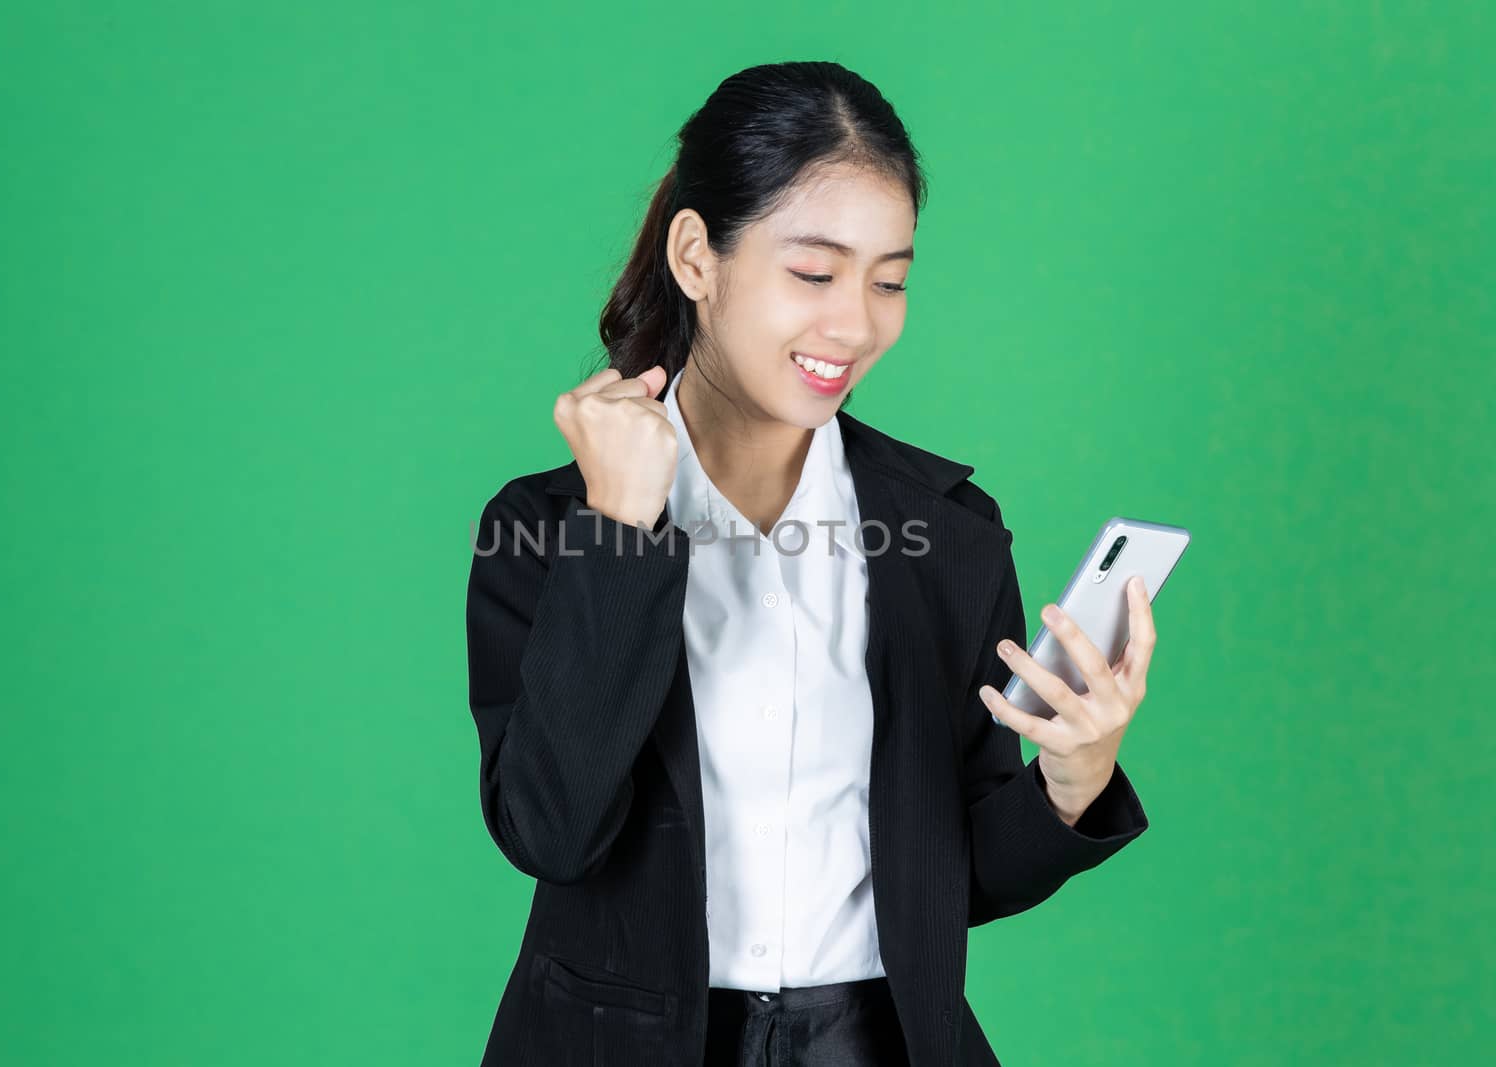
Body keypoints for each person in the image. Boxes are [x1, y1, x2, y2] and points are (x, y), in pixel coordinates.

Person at [465, 60, 1155, 1067]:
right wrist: (618, 530)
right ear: (696, 256)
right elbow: (550, 831)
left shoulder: (948, 534)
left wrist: (1071, 777)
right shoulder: (543, 524)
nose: (856, 324)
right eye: (814, 272)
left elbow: (953, 877)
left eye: (889, 279)